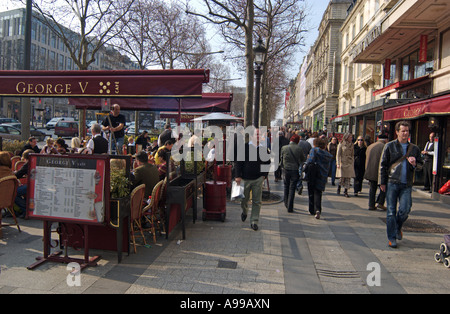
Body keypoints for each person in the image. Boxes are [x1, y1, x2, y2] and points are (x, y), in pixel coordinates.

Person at [380, 120, 423, 248]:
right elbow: (383, 165)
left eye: (407, 131)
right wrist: (382, 182)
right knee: (391, 212)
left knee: (405, 210)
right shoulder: (389, 146)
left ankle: (397, 227)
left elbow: (421, 166)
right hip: (392, 182)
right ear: (397, 132)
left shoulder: (414, 148)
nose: (405, 133)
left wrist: (415, 164)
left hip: (406, 184)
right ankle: (391, 237)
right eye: (403, 131)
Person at [234, 128, 270, 231]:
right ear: (252, 136)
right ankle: (244, 211)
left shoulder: (264, 149)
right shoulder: (244, 147)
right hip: (245, 179)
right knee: (243, 200)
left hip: (258, 179)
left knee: (257, 201)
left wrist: (264, 175)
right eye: (256, 134)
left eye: (260, 135)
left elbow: (267, 163)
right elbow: (238, 162)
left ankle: (254, 221)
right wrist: (237, 176)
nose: (258, 136)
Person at [305, 138, 332, 219]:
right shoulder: (327, 155)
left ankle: (312, 209)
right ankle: (318, 209)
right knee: (318, 192)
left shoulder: (314, 150)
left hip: (313, 174)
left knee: (311, 191)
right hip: (322, 175)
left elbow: (310, 161)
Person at [280, 134, 305, 212]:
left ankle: (286, 202)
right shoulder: (299, 148)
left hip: (286, 169)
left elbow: (281, 158)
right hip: (295, 170)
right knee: (292, 188)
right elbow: (302, 159)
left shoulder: (284, 148)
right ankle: (290, 206)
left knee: (286, 186)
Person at [364, 132, 388, 211]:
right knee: (383, 187)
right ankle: (380, 202)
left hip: (370, 170)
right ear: (386, 140)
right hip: (379, 171)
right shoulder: (384, 147)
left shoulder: (370, 146)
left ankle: (371, 204)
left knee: (372, 188)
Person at [336, 132, 355, 197]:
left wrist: (352, 162)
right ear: (346, 137)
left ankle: (346, 191)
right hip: (343, 162)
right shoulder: (341, 144)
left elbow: (352, 154)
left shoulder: (352, 145)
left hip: (349, 162)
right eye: (350, 137)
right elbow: (338, 154)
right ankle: (339, 187)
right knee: (342, 177)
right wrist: (338, 163)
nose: (351, 138)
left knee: (348, 178)